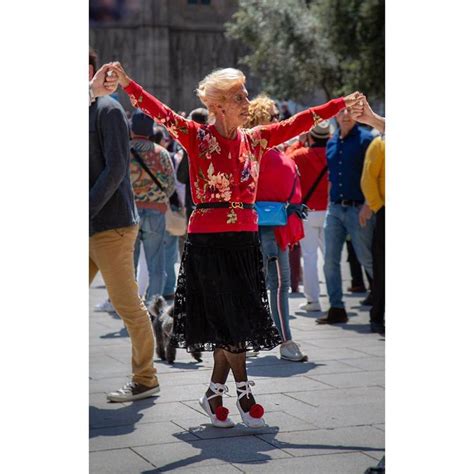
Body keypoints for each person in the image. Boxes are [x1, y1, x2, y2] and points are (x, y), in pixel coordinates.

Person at [106, 60, 362, 428]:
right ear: (218, 105)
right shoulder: (196, 136)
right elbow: (157, 110)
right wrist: (128, 83)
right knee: (230, 321)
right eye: (238, 97)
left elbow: (299, 122)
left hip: (244, 239)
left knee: (236, 320)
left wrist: (338, 104)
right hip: (207, 242)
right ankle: (244, 392)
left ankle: (213, 393)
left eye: (245, 96)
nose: (246, 102)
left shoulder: (256, 139)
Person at [89, 49, 159, 402]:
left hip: (111, 225)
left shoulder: (109, 110)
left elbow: (116, 170)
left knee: (127, 304)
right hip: (88, 225)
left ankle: (146, 378)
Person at [247, 94, 308, 362]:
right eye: (274, 116)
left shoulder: (255, 154)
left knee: (261, 285)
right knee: (278, 284)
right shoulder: (267, 155)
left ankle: (253, 338)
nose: (279, 120)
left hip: (258, 227)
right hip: (271, 227)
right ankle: (284, 341)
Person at [317, 107, 375, 324]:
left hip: (358, 208)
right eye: (341, 111)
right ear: (335, 115)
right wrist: (328, 205)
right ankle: (336, 308)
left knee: (367, 259)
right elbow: (332, 177)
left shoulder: (366, 139)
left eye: (350, 111)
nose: (345, 115)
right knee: (329, 260)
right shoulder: (332, 142)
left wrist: (368, 205)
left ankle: (383, 303)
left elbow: (375, 173)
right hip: (334, 208)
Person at [129, 111, 176, 304]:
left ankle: (132, 309)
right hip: (156, 212)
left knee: (128, 264)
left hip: (129, 213)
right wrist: (158, 198)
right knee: (156, 264)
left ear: (131, 129)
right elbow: (171, 185)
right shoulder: (162, 153)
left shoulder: (122, 150)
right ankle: (152, 307)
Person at [289, 121, 331, 312]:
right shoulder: (333, 154)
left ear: (310, 136)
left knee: (309, 256)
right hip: (330, 211)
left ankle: (313, 300)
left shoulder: (299, 155)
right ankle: (334, 297)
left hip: (308, 211)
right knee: (331, 257)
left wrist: (300, 142)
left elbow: (285, 160)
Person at [357, 98, 385, 335]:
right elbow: (368, 178)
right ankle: (377, 316)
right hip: (386, 211)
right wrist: (377, 206)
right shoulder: (379, 144)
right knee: (382, 266)